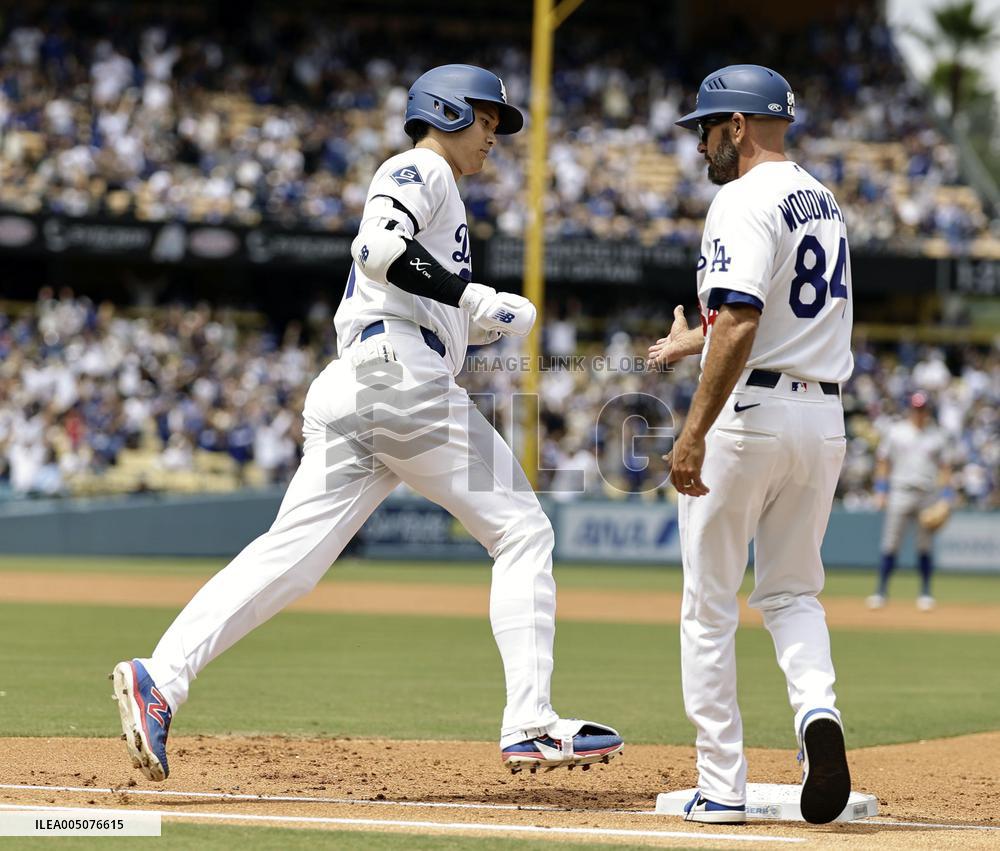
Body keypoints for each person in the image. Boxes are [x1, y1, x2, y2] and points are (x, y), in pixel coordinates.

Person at [112, 64, 623, 782]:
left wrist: (477, 322)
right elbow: (378, 250)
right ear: (444, 112)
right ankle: (531, 723)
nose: (494, 137)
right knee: (523, 529)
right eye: (486, 119)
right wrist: (475, 295)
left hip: (362, 379)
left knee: (289, 559)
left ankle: (159, 678)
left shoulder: (440, 193)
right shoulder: (422, 166)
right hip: (395, 377)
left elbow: (417, 294)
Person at [650, 64, 853, 825]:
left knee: (709, 605)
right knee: (793, 592)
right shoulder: (822, 199)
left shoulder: (740, 197)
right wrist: (694, 339)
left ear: (737, 125)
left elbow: (740, 319)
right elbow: (757, 313)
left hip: (751, 414)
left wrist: (693, 431)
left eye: (706, 126)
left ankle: (722, 786)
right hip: (822, 416)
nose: (700, 142)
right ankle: (817, 717)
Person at [867, 391, 952, 611]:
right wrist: (881, 490)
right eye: (916, 408)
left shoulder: (936, 435)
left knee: (924, 545)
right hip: (900, 491)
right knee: (890, 542)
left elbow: (945, 467)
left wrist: (947, 495)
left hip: (927, 493)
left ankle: (925, 593)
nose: (919, 412)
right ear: (909, 409)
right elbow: (883, 461)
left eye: (922, 408)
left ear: (927, 410)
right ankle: (881, 591)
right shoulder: (896, 432)